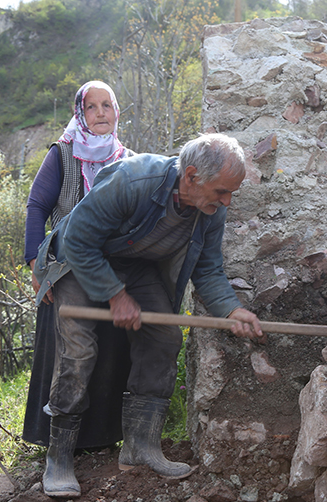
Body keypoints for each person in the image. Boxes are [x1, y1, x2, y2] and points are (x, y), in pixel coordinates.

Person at [32, 133, 266, 497]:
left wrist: (232, 309)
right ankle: (59, 457)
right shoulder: (133, 179)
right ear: (191, 176)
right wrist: (115, 295)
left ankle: (140, 447)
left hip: (134, 265)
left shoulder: (209, 211)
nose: (228, 201)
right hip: (78, 261)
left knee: (165, 338)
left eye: (231, 192)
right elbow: (77, 239)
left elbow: (207, 270)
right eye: (222, 191)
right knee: (78, 351)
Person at [22, 80, 134, 452]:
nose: (101, 113)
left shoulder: (128, 159)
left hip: (111, 270)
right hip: (67, 266)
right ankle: (57, 444)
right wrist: (38, 266)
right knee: (72, 352)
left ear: (117, 112)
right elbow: (37, 206)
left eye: (107, 106)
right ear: (80, 114)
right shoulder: (64, 154)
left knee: (110, 349)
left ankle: (100, 439)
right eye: (92, 107)